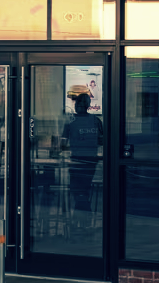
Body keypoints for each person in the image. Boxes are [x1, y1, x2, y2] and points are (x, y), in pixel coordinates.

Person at [62, 87, 103, 230]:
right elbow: (102, 140)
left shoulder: (70, 121)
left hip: (77, 159)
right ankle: (84, 217)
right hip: (90, 160)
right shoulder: (96, 121)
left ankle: (81, 217)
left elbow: (62, 143)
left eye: (77, 104)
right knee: (84, 189)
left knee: (77, 189)